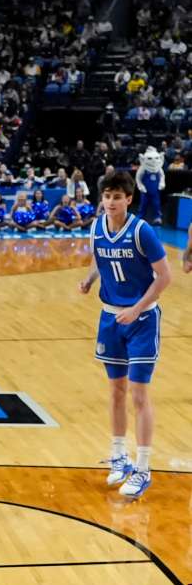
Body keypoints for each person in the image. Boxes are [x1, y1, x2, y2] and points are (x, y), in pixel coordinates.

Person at [78, 171, 171, 498]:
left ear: (129, 199)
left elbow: (164, 276)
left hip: (142, 319)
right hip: (109, 318)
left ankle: (144, 468)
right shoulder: (96, 228)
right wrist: (90, 279)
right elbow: (101, 260)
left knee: (138, 394)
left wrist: (137, 308)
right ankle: (119, 456)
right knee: (116, 390)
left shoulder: (142, 231)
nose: (111, 202)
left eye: (118, 197)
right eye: (107, 196)